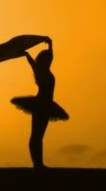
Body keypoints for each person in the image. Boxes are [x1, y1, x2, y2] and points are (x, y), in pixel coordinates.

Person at [11, 37, 68, 169]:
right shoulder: (40, 71)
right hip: (40, 104)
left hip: (47, 105)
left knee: (39, 135)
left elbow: (51, 56)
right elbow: (32, 63)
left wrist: (50, 44)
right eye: (47, 58)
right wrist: (26, 54)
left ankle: (39, 163)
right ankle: (37, 164)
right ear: (44, 61)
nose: (50, 59)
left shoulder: (46, 70)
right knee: (36, 135)